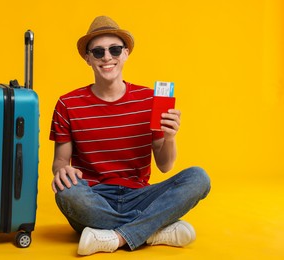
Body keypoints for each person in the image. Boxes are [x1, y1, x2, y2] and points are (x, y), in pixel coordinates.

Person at [49, 15, 210, 256]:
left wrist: (170, 137)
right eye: (98, 52)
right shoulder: (67, 104)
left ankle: (115, 237)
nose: (107, 58)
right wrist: (62, 170)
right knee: (67, 193)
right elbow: (60, 162)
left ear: (125, 53)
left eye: (114, 49)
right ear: (87, 58)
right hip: (94, 198)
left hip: (140, 195)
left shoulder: (150, 100)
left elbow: (165, 166)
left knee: (198, 177)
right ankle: (152, 229)